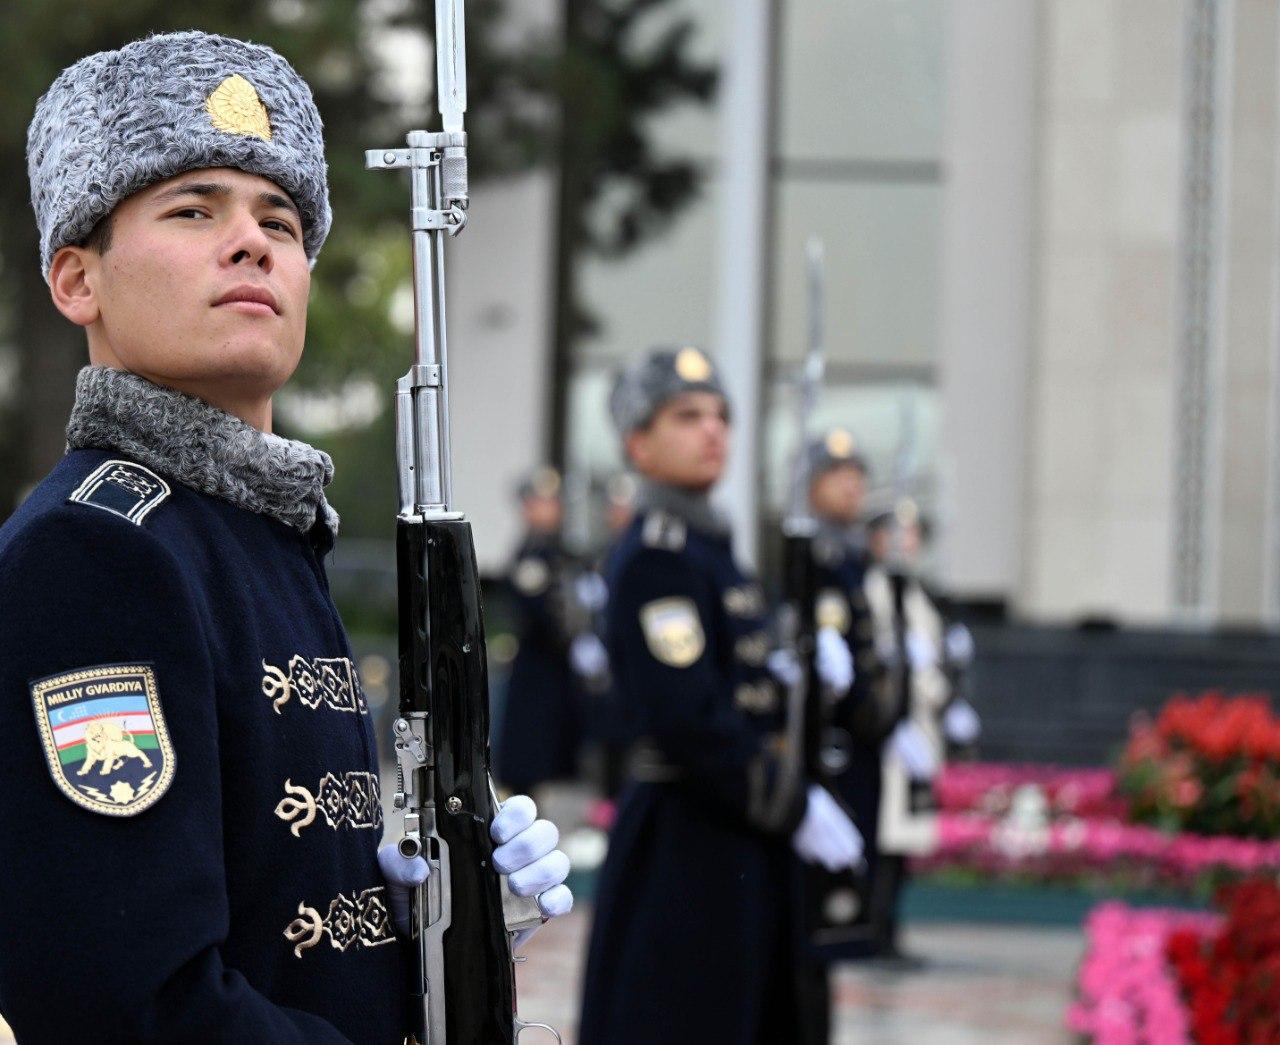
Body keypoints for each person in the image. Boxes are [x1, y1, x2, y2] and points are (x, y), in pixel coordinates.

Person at [0, 32, 570, 1042]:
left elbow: (273, 918)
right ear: (77, 281)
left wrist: (436, 930)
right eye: (192, 209)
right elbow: (122, 1001)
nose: (253, 241)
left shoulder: (258, 531)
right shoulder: (97, 551)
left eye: (280, 218)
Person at [578, 347, 862, 1045]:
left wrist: (798, 668)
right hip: (687, 844)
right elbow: (687, 720)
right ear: (638, 444)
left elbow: (739, 681)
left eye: (722, 416)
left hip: (734, 838)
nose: (714, 431)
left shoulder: (711, 548)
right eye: (687, 415)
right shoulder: (657, 556)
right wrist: (792, 802)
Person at [802, 429, 901, 963]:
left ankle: (860, 928)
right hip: (835, 724)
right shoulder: (815, 552)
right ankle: (838, 927)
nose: (851, 488)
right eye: (839, 477)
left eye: (857, 478)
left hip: (864, 720)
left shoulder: (854, 555)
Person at [494, 465, 600, 794]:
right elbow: (542, 612)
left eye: (553, 502)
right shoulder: (531, 554)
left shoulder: (561, 553)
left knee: (555, 754)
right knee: (529, 755)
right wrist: (572, 636)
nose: (549, 509)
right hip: (537, 666)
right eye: (541, 502)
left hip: (558, 668)